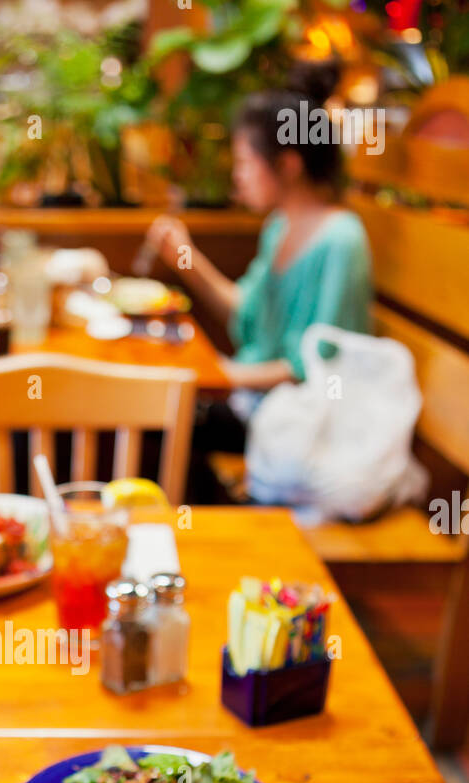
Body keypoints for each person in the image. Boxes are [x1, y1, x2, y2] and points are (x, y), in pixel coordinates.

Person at [148, 64, 372, 493]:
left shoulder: (341, 241)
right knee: (160, 416)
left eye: (245, 163)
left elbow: (320, 365)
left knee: (164, 424)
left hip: (297, 421)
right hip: (258, 407)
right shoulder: (279, 228)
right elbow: (246, 308)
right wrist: (184, 258)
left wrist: (220, 376)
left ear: (287, 164)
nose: (237, 176)